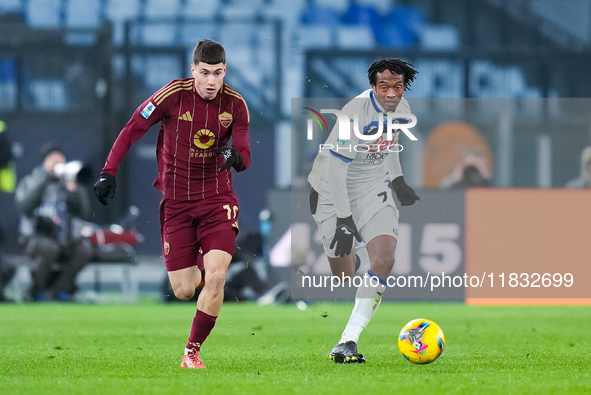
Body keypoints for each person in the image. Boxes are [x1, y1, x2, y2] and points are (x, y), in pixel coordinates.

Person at [93, 39, 251, 369]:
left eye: (218, 74)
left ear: (225, 72)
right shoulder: (171, 96)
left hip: (217, 200)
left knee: (217, 276)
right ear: (193, 70)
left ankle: (191, 352)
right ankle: (199, 254)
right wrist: (109, 171)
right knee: (184, 290)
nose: (211, 81)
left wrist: (235, 157)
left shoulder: (235, 104)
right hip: (177, 204)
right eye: (205, 73)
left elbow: (244, 155)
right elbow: (131, 130)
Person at [307, 58, 420, 364]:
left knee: (384, 258)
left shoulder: (403, 110)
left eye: (397, 87)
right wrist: (344, 220)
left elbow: (390, 146)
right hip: (331, 191)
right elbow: (335, 172)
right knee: (344, 275)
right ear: (373, 87)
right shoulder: (352, 116)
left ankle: (348, 340)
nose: (391, 94)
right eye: (384, 87)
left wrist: (397, 181)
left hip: (373, 189)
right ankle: (354, 254)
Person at [14, 145, 93, 302]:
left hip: (64, 236)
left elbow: (82, 211)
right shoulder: (32, 180)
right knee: (49, 248)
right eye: (53, 159)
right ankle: (37, 290)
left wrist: (74, 189)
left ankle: (61, 289)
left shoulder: (69, 182)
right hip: (36, 236)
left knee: (84, 248)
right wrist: (44, 177)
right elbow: (25, 206)